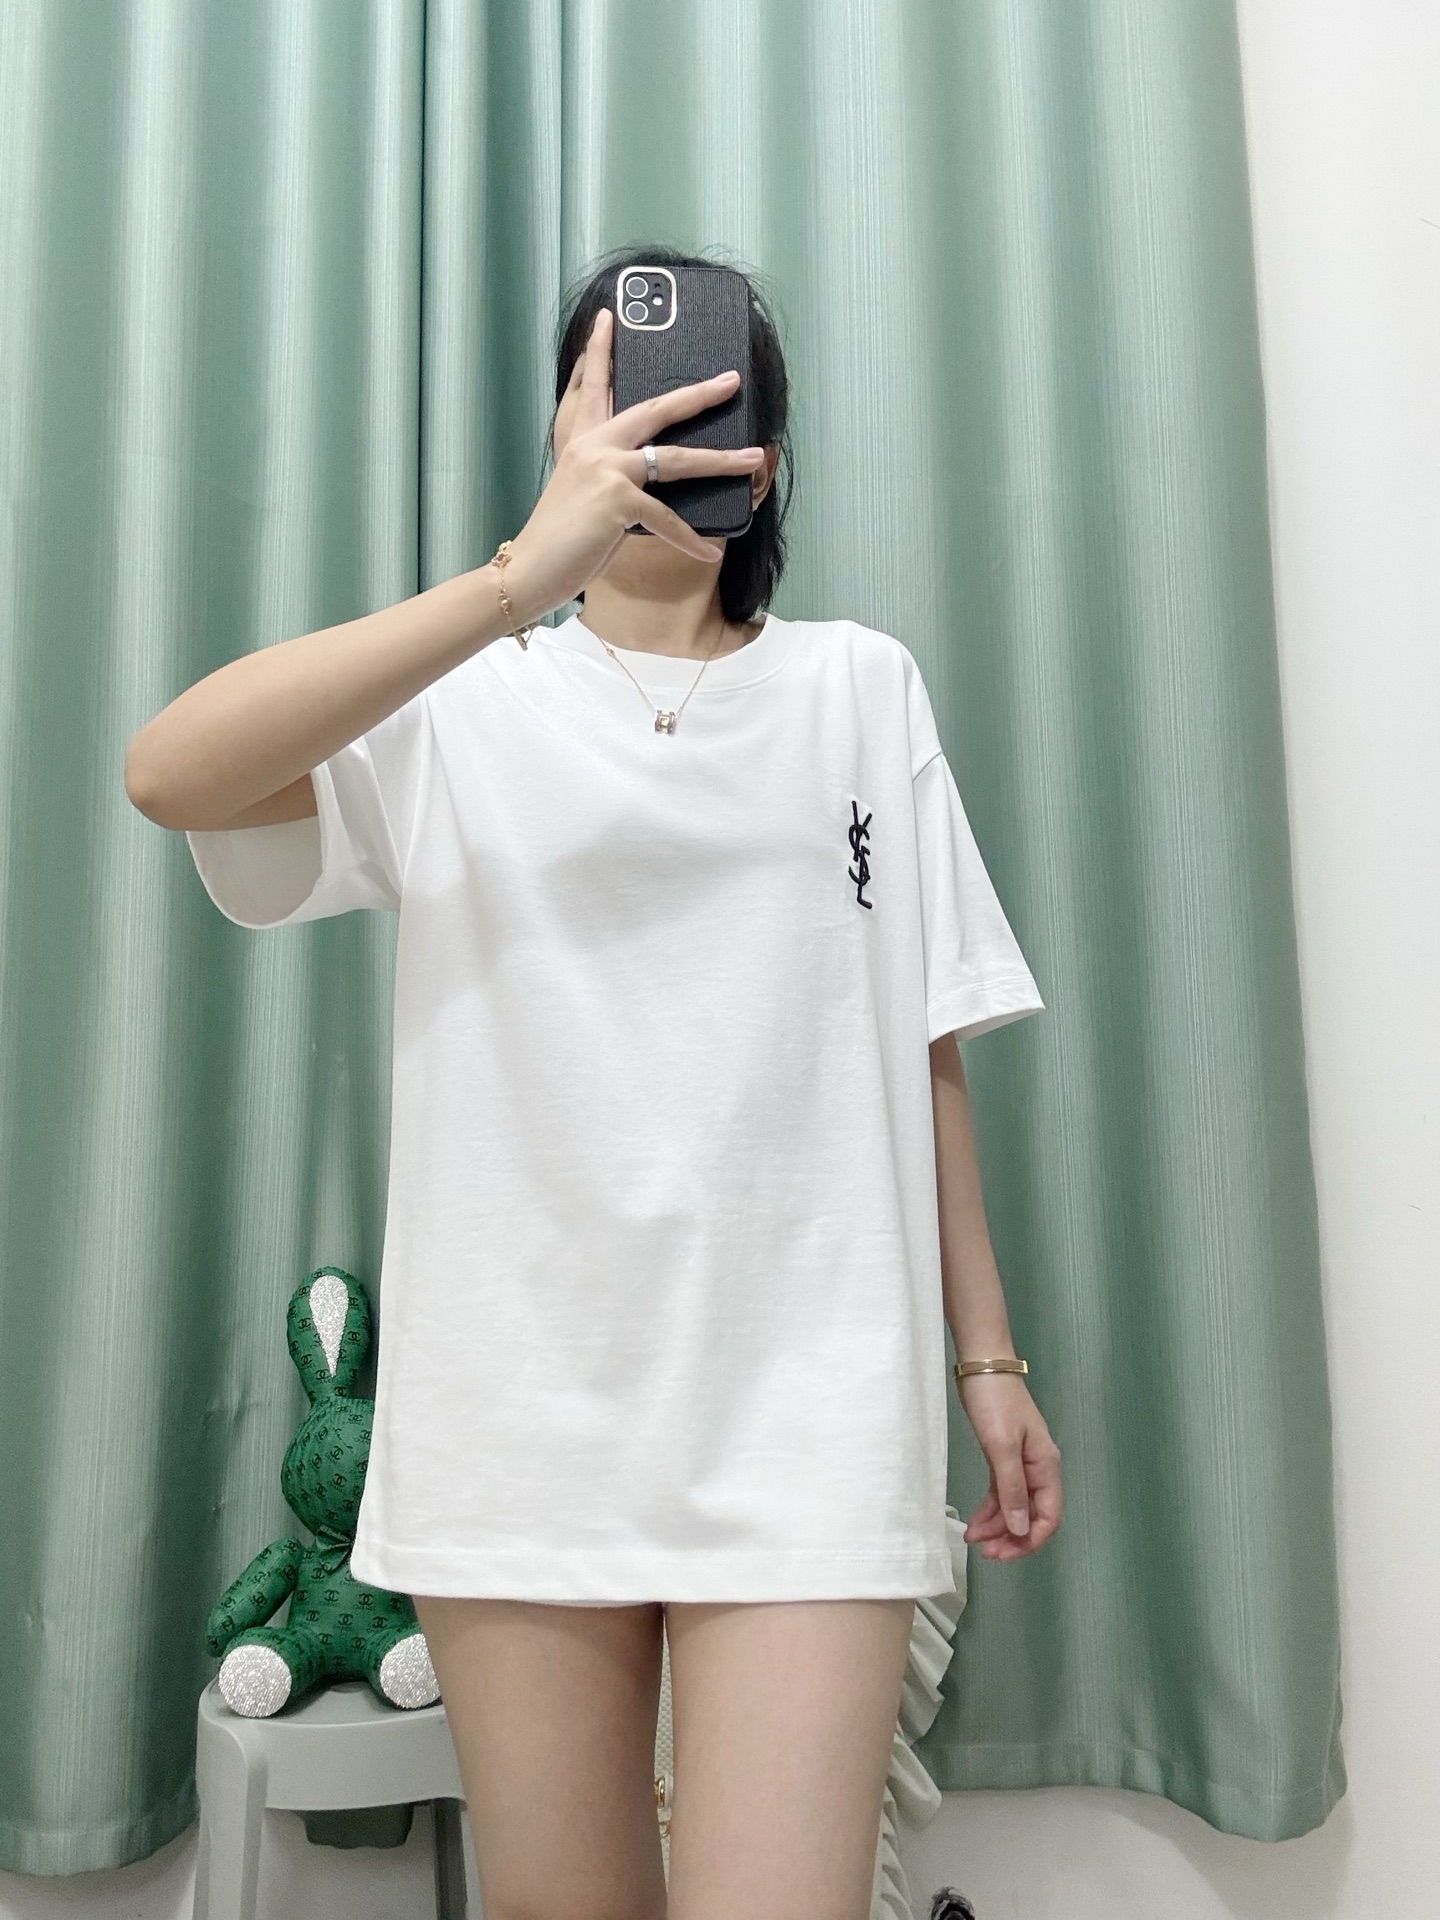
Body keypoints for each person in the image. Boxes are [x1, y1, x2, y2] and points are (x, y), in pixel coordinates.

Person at [127, 245, 1062, 1920]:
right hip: (518, 1413)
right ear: (566, 428)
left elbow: (918, 1043)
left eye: (714, 397)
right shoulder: (463, 704)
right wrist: (514, 578)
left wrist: (986, 1359)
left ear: (764, 452)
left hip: (811, 1407)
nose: (667, 425)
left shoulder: (861, 688)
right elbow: (169, 772)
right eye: (623, 391)